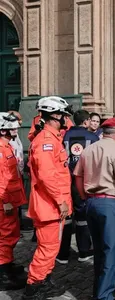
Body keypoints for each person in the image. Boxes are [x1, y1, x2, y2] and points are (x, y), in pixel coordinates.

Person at [73, 117, 115, 300]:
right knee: (112, 250)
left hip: (91, 202)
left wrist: (85, 196)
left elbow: (77, 176)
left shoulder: (89, 149)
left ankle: (110, 282)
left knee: (100, 249)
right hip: (110, 203)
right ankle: (103, 295)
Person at [23, 96, 73, 300]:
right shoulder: (45, 141)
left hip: (52, 204)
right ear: (55, 115)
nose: (66, 120)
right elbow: (46, 177)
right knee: (47, 247)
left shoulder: (52, 138)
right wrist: (61, 200)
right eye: (63, 115)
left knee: (51, 246)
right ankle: (34, 286)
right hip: (49, 204)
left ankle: (44, 279)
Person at [56, 110, 99, 264]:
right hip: (83, 182)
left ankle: (62, 254)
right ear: (86, 121)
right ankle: (84, 251)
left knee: (66, 217)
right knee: (82, 218)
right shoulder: (93, 138)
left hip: (66, 181)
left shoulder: (63, 136)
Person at [0, 113, 27, 291]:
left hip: (11, 199)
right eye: (12, 128)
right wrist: (4, 201)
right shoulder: (1, 149)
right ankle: (3, 274)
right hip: (5, 202)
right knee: (5, 237)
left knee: (11, 235)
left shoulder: (6, 146)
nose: (16, 130)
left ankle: (8, 265)